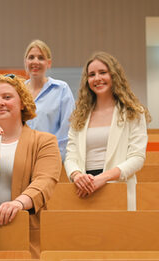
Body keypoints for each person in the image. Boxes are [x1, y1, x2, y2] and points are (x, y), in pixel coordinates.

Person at [0, 74, 61, 258]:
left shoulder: (44, 141)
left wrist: (18, 203)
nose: (0, 102)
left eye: (7, 97)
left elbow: (45, 181)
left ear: (22, 103)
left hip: (24, 233)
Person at [64, 51, 150, 211]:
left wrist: (102, 179)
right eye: (92, 74)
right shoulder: (79, 115)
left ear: (114, 75)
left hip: (118, 186)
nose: (97, 78)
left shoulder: (134, 112)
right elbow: (71, 156)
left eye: (103, 72)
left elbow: (137, 157)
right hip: (84, 188)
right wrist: (77, 176)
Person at [24, 39, 75, 160]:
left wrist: (53, 157)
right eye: (31, 57)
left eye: (41, 58)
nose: (35, 61)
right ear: (26, 62)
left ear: (49, 63)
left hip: (51, 158)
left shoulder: (61, 89)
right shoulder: (18, 92)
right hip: (22, 159)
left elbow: (67, 129)